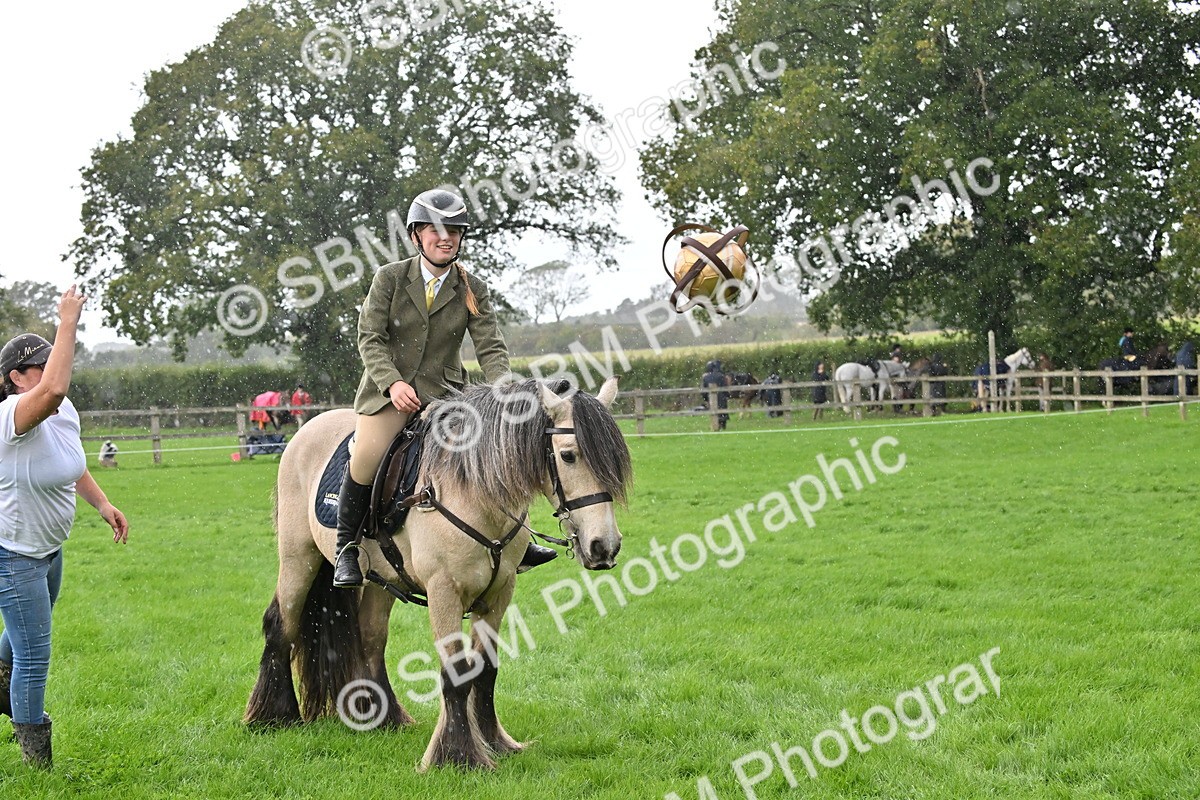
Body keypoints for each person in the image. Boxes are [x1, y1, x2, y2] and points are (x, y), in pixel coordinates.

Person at [334, 188, 556, 588]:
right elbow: (370, 337)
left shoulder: (473, 287)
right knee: (366, 456)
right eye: (435, 230)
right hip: (390, 395)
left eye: (454, 230)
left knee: (497, 449)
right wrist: (392, 383)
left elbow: (490, 344)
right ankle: (347, 547)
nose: (445, 238)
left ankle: (519, 540)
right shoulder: (390, 278)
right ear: (417, 235)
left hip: (448, 397)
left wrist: (503, 389)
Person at [0, 286, 129, 769]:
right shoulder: (12, 417)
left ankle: (0, 680)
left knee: (27, 634)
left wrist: (101, 503)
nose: (56, 372)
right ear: (15, 379)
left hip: (49, 552)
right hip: (14, 555)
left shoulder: (63, 410)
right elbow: (51, 388)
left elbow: (72, 463)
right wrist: (67, 320)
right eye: (42, 364)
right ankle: (36, 758)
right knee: (34, 656)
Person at [701, 360, 729, 430]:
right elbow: (725, 388)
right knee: (722, 413)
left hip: (711, 398)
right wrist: (727, 395)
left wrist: (706, 398)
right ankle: (722, 427)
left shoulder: (706, 377)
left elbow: (703, 390)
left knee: (714, 413)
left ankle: (715, 426)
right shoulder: (721, 376)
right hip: (721, 397)